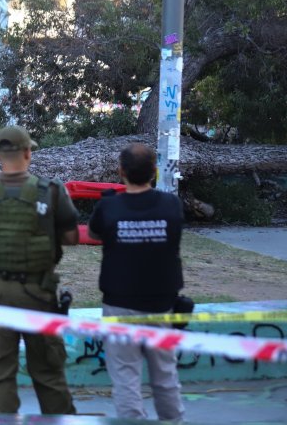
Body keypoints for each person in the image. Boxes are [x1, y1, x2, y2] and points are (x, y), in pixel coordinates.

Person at [0, 125, 79, 415]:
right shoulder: (50, 191)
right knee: (49, 373)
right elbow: (71, 238)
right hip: (38, 293)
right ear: (27, 153)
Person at [87, 143, 186, 422]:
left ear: (121, 171)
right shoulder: (171, 205)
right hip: (161, 305)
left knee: (126, 379)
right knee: (165, 376)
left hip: (119, 305)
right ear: (154, 171)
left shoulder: (109, 206)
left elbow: (94, 235)